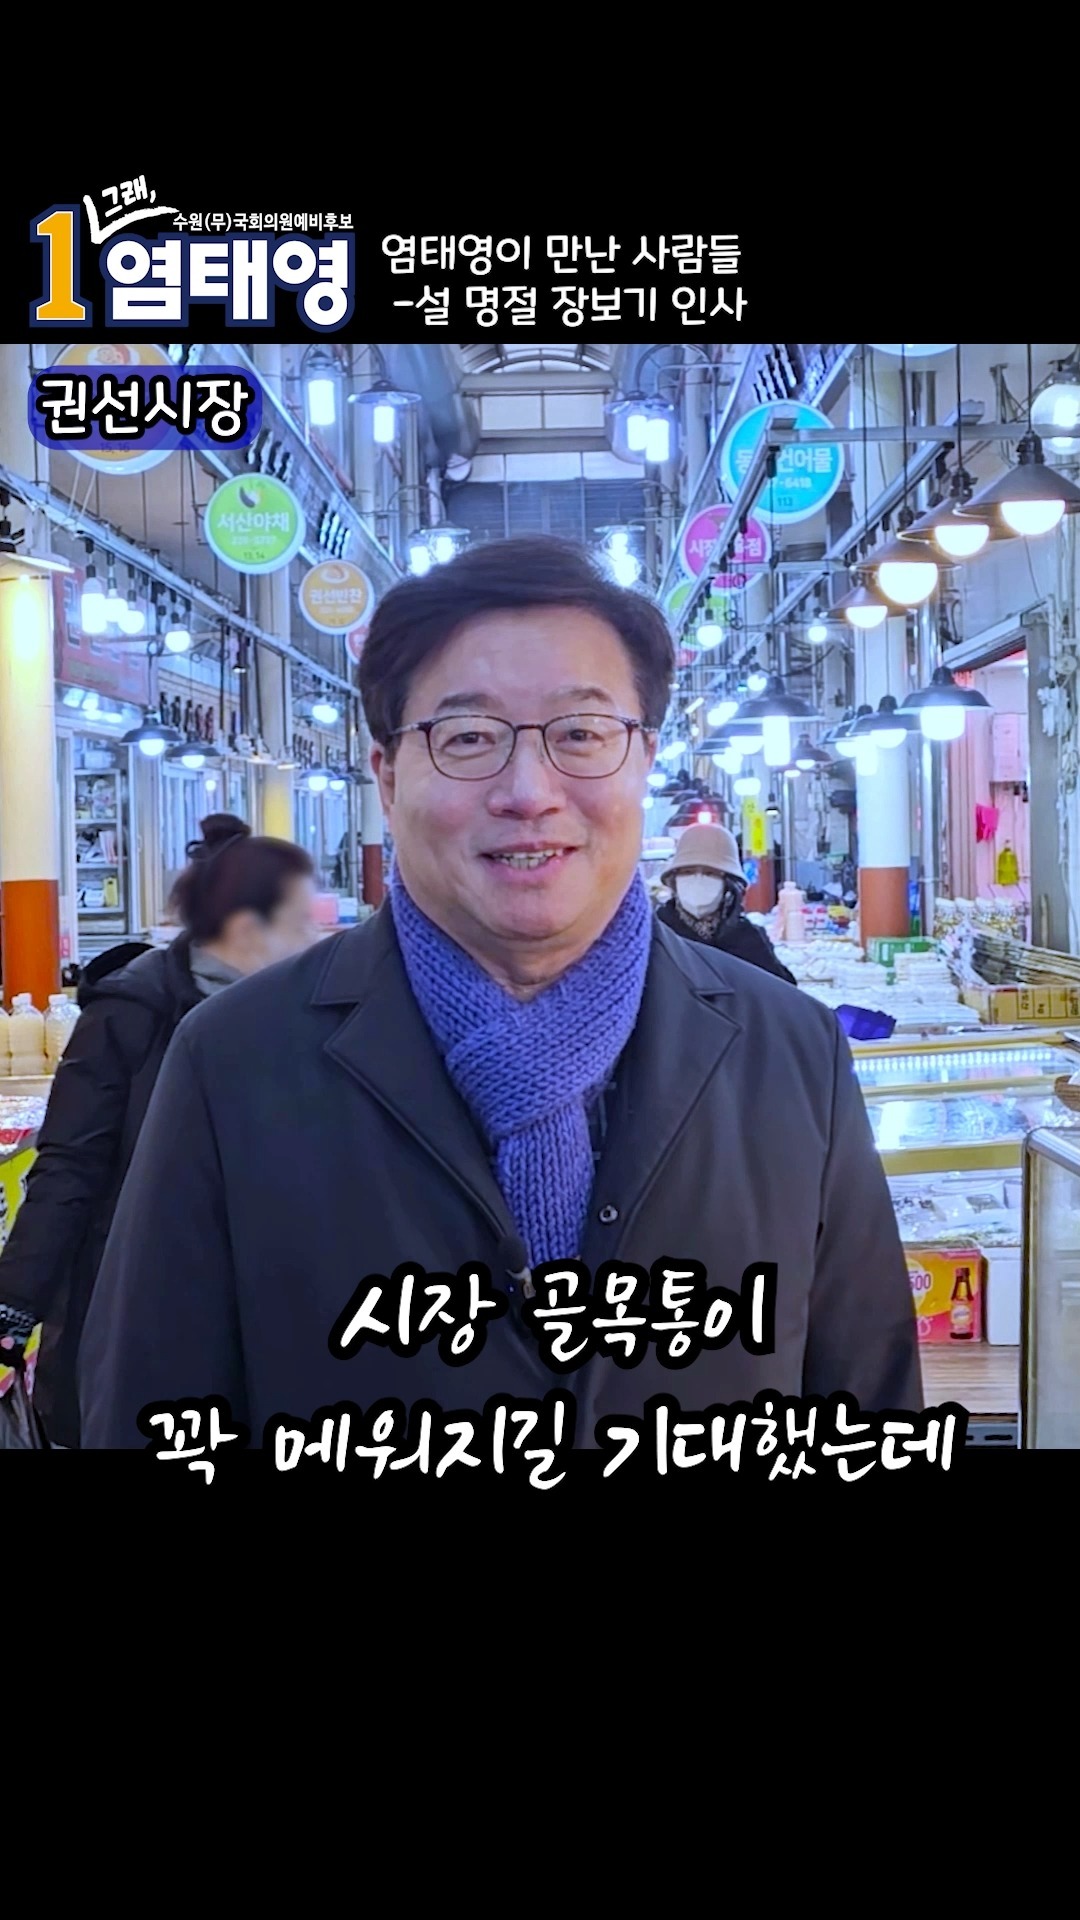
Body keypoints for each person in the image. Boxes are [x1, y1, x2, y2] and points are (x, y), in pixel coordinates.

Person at [78, 536, 920, 1449]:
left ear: (644, 759)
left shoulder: (791, 1054)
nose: (529, 791)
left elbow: (866, 1407)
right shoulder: (233, 1061)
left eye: (581, 734)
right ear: (387, 774)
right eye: (469, 738)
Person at [0, 816, 318, 1449]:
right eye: (298, 922)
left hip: (262, 1300)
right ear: (245, 927)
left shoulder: (291, 1014)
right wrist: (13, 1308)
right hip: (139, 1296)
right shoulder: (132, 1010)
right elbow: (69, 1166)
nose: (313, 939)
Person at [657, 823, 796, 984]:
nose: (698, 880)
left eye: (710, 873)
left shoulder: (748, 939)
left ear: (729, 885)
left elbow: (782, 992)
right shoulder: (656, 935)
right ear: (674, 881)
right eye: (687, 872)